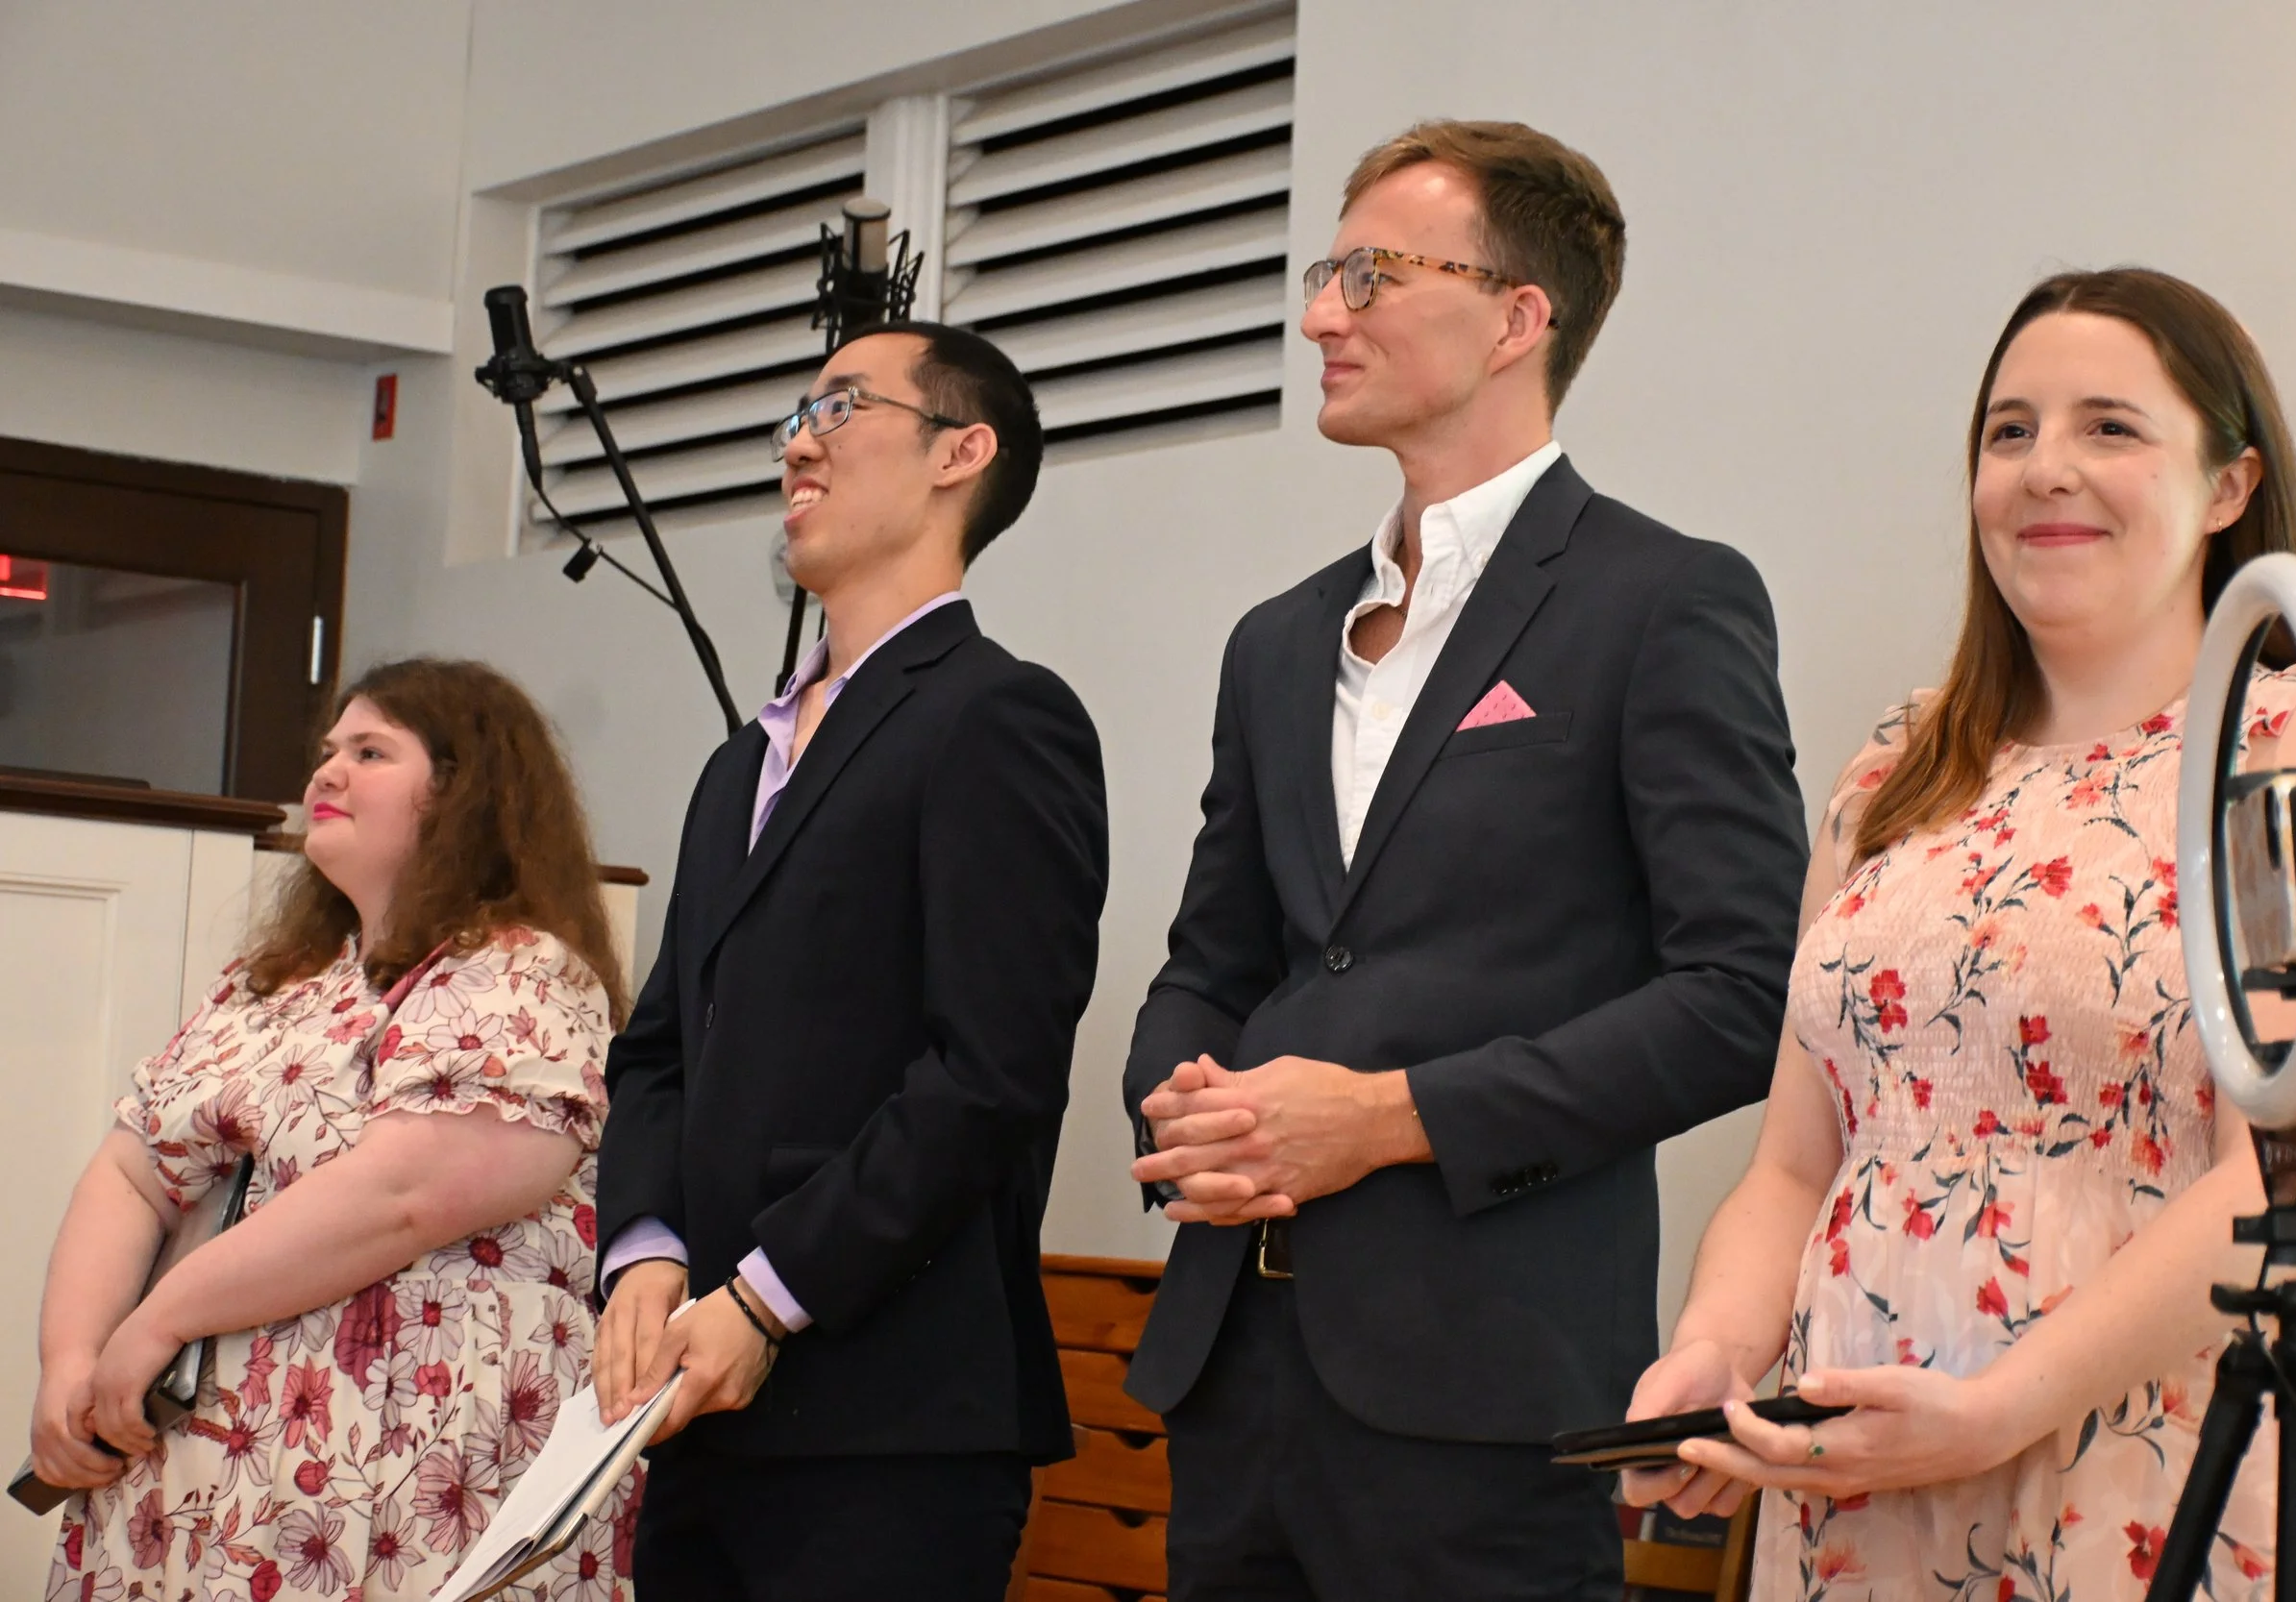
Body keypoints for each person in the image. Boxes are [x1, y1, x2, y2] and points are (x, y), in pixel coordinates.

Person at [1623, 266, 2296, 1597]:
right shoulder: (1896, 766)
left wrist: (2000, 1402)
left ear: (2228, 486)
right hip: (1856, 1475)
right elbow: (1795, 1163)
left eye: (2110, 426)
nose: (2048, 468)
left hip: (2143, 1466)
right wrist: (1712, 1345)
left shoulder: (2292, 747)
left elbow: (2272, 1175)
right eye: (2010, 429)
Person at [1123, 119, 1810, 1600]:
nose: (1323, 313)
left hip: (1485, 1386)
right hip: (1231, 1368)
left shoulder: (1664, 598)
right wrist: (1183, 1106)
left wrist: (1387, 1115)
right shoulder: (1278, 638)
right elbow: (1213, 959)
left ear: (1517, 316)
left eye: (1370, 272)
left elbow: (1742, 990)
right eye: (1326, 272)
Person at [591, 321, 1109, 1602]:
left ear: (961, 451)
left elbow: (988, 1071)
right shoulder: (740, 763)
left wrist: (766, 1297)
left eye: (839, 406)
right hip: (702, 1398)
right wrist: (650, 1251)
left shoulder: (998, 714)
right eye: (794, 416)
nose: (798, 441)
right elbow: (661, 1046)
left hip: (892, 1422)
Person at [32, 657, 631, 1601]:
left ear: (465, 792)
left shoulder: (525, 976)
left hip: (405, 1503)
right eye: (326, 750)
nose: (325, 772)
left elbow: (404, 1194)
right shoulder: (272, 982)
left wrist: (160, 1317)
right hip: (200, 1503)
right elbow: (134, 1166)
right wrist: (70, 1365)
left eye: (369, 750)